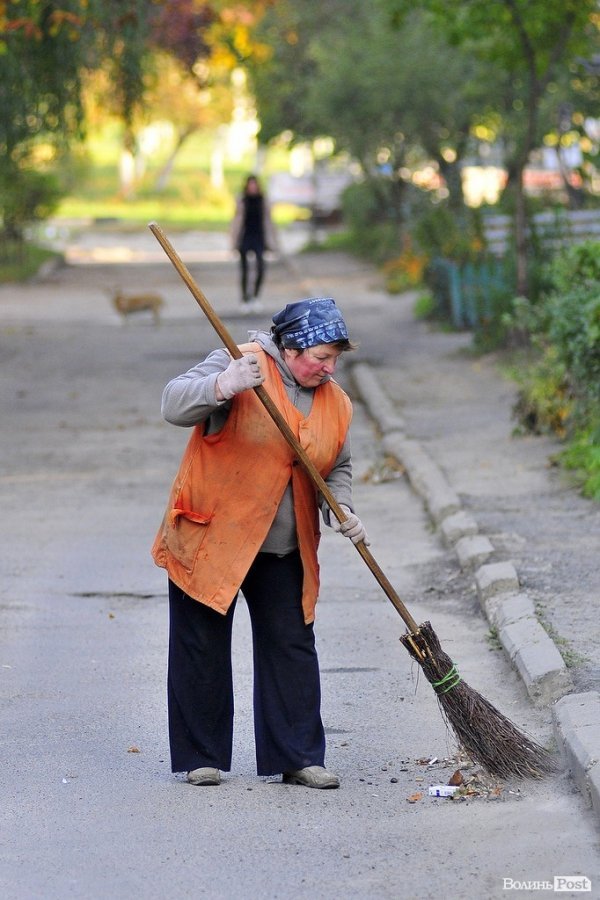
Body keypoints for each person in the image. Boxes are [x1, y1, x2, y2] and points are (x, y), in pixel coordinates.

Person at [152, 296, 369, 789]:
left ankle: (298, 756)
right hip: (213, 537)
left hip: (283, 546)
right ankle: (200, 757)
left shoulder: (335, 401)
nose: (330, 369)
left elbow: (337, 466)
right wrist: (222, 385)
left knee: (291, 645)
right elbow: (173, 402)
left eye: (335, 358)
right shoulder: (240, 358)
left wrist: (344, 509)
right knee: (200, 645)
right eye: (321, 358)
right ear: (291, 348)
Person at [230, 174, 277, 312]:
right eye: (250, 185)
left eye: (254, 185)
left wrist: (273, 241)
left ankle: (255, 297)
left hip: (259, 237)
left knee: (261, 267)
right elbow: (236, 221)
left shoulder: (263, 201)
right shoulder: (242, 200)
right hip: (245, 237)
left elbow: (269, 221)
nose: (252, 187)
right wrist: (233, 240)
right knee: (245, 270)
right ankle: (245, 299)